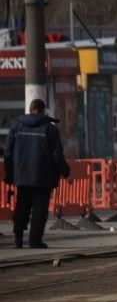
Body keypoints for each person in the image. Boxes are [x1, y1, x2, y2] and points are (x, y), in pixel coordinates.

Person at [3, 99, 71, 249]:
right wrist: (66, 173)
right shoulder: (50, 129)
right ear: (43, 110)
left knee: (21, 206)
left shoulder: (16, 126)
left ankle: (18, 240)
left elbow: (8, 153)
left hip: (22, 176)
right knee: (40, 210)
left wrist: (9, 174)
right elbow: (57, 155)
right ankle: (35, 241)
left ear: (30, 109)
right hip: (43, 177)